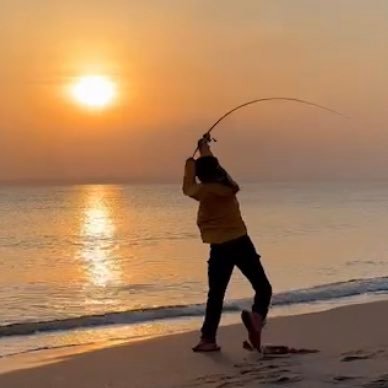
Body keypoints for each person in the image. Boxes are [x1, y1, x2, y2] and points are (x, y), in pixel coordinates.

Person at [182, 136, 272, 352]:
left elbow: (187, 186)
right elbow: (216, 169)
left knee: (216, 294)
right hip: (240, 242)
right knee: (263, 288)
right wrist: (205, 150)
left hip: (218, 247)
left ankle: (208, 339)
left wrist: (190, 163)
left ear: (200, 175)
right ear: (218, 171)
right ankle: (257, 318)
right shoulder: (229, 187)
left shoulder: (201, 192)